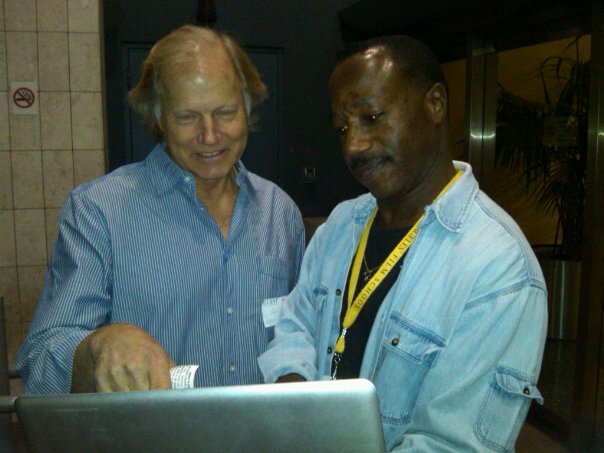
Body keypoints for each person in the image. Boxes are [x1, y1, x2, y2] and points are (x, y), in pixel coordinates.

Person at [258, 35, 548, 452]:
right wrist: (295, 391)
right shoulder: (343, 224)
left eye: (371, 117)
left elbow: (451, 444)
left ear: (435, 104)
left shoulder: (498, 267)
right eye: (343, 128)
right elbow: (296, 324)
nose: (353, 145)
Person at [16, 25, 305, 394]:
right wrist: (100, 344)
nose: (210, 135)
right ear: (159, 117)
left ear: (247, 109)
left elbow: (300, 335)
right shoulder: (98, 212)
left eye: (225, 112)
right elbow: (40, 360)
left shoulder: (280, 213)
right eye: (187, 117)